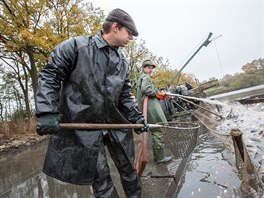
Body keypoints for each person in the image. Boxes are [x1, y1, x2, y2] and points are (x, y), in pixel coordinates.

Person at [35, 8, 149, 198]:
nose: (131, 38)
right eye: (129, 33)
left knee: (129, 171)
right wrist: (47, 111)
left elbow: (125, 95)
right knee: (101, 181)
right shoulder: (76, 47)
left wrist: (136, 116)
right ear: (115, 27)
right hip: (83, 127)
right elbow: (50, 75)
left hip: (115, 124)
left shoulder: (123, 62)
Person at [136, 59, 172, 164]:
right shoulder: (146, 77)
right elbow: (146, 90)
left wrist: (159, 93)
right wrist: (157, 94)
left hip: (148, 108)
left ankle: (158, 156)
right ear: (143, 68)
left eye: (151, 68)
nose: (150, 70)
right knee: (158, 130)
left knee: (155, 130)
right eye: (148, 67)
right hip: (151, 108)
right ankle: (160, 158)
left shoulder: (142, 77)